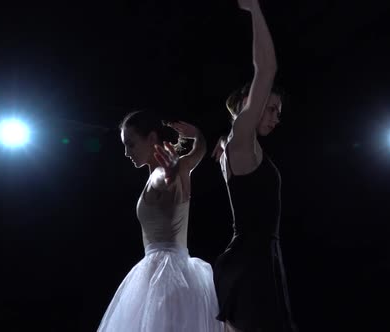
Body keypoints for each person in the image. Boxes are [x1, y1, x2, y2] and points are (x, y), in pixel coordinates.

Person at [210, 0, 297, 331]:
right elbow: (267, 68)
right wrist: (254, 8)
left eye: (279, 111)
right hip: (251, 262)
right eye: (271, 108)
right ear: (251, 103)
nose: (277, 117)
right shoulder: (241, 135)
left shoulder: (240, 144)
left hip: (260, 260)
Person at [97, 110, 223, 332]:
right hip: (183, 270)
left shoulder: (162, 174)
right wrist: (198, 136)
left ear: (152, 139)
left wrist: (169, 171)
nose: (127, 152)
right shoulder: (184, 166)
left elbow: (163, 180)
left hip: (162, 273)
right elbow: (199, 151)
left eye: (131, 144)